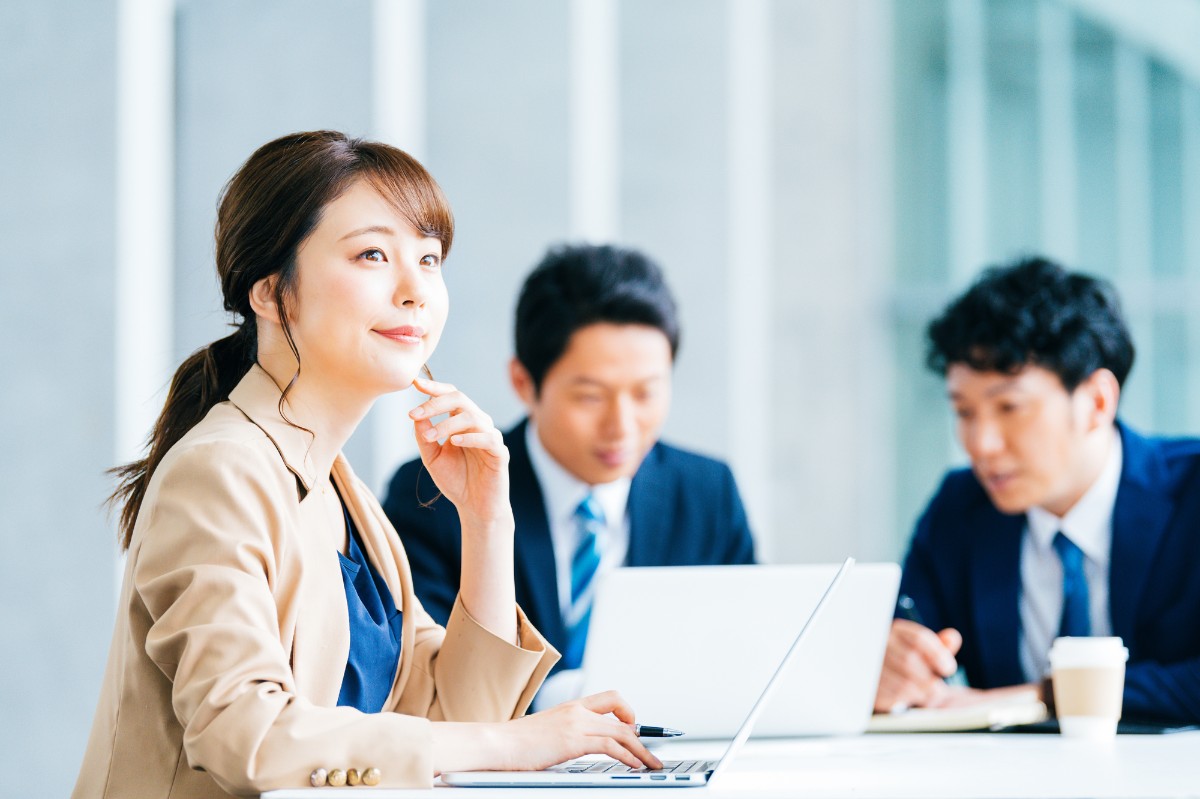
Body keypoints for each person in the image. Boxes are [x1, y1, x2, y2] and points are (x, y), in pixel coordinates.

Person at [73, 131, 661, 799]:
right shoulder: (220, 471)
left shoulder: (340, 491)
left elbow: (453, 718)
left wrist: (487, 519)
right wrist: (520, 741)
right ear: (272, 293)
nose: (415, 289)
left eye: (431, 258)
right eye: (373, 254)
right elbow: (246, 734)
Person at [383, 243, 756, 708]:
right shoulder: (438, 492)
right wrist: (566, 699)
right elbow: (420, 676)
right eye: (590, 397)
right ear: (524, 383)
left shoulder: (706, 494)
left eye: (646, 394)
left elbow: (745, 650)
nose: (622, 427)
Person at [876, 257, 1200, 725]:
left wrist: (1045, 696)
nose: (981, 445)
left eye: (1010, 407)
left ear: (1096, 402)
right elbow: (905, 642)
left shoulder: (1190, 494)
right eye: (964, 412)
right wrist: (886, 664)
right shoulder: (962, 508)